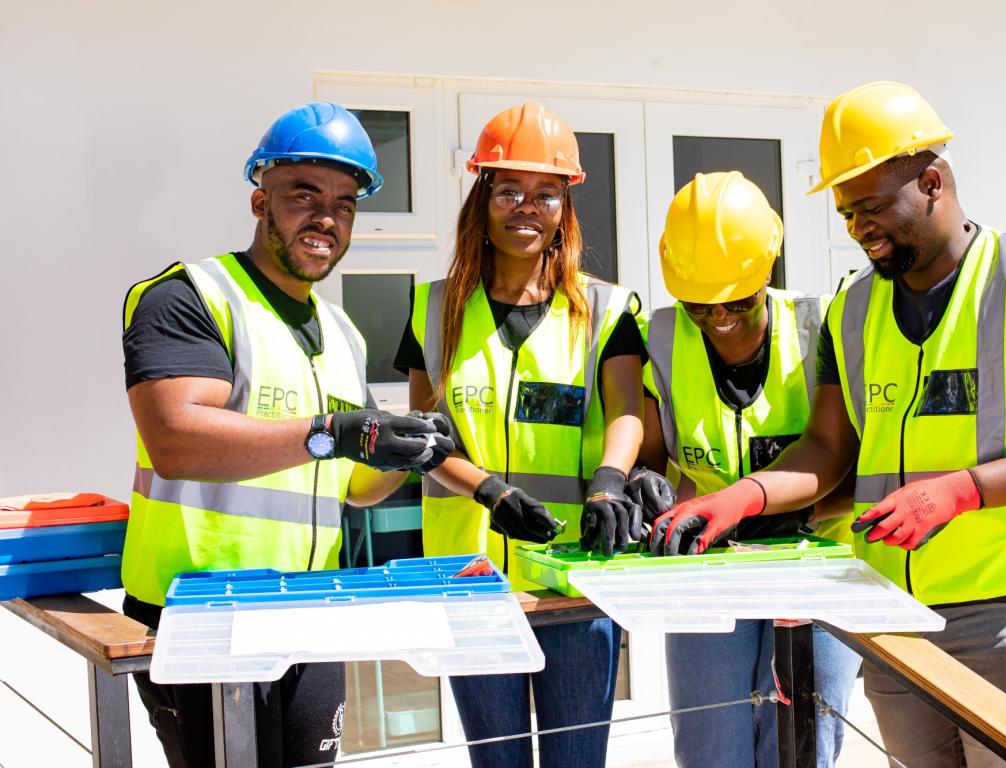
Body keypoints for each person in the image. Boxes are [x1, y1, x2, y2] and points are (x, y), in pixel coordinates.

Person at [650, 81, 1006, 767]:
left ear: (932, 182)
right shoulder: (854, 310)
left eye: (872, 207)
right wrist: (743, 496)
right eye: (846, 215)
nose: (860, 228)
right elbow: (828, 448)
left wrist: (960, 490)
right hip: (889, 611)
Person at [120, 102, 453, 768]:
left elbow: (353, 487)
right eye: (304, 194)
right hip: (197, 614)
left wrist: (404, 457)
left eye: (345, 203)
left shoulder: (342, 332)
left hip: (308, 611)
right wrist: (330, 433)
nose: (326, 216)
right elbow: (176, 440)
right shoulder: (189, 296)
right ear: (259, 199)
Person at [395, 101, 646, 767]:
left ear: (566, 207)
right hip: (467, 580)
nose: (526, 208)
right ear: (483, 199)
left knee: (576, 760)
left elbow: (627, 409)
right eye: (509, 191)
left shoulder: (607, 311)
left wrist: (610, 485)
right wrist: (490, 493)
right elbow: (425, 439)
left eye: (546, 193)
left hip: (574, 580)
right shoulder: (431, 310)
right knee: (496, 761)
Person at [631, 171, 859, 767]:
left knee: (803, 748)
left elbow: (858, 465)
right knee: (711, 750)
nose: (719, 316)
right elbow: (651, 458)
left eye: (737, 297)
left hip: (818, 569)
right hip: (709, 575)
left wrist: (786, 512)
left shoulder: (824, 328)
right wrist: (641, 484)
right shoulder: (658, 337)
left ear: (769, 267)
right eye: (700, 303)